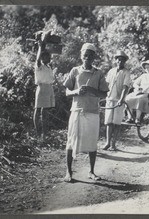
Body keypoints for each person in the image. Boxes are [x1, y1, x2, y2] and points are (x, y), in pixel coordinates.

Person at [63, 43, 109, 182]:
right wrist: (76, 91)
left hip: (92, 111)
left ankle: (91, 171)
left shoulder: (98, 73)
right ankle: (68, 172)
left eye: (91, 55)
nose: (88, 57)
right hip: (77, 110)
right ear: (81, 56)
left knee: (92, 141)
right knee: (71, 141)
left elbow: (104, 93)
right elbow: (67, 92)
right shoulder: (75, 71)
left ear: (94, 56)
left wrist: (91, 90)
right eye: (85, 55)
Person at [103, 50, 131, 151]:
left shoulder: (126, 72)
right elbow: (106, 84)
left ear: (124, 61)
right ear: (116, 60)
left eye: (122, 60)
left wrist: (121, 99)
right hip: (110, 98)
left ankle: (114, 143)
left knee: (117, 122)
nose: (120, 62)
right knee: (108, 122)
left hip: (119, 100)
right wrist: (103, 94)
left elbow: (125, 87)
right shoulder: (111, 71)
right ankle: (107, 143)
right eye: (119, 60)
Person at [33, 33, 55, 142]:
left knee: (45, 113)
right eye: (47, 57)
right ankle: (38, 134)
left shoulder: (48, 67)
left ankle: (44, 135)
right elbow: (37, 59)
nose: (49, 59)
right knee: (38, 111)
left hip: (49, 88)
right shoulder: (39, 66)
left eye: (49, 57)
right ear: (43, 57)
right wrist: (40, 46)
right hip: (41, 88)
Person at [125, 60, 149, 124]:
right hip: (138, 92)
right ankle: (130, 117)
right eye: (145, 68)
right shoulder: (143, 76)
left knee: (140, 99)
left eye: (148, 67)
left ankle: (137, 118)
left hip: (147, 94)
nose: (146, 69)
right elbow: (135, 83)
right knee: (127, 98)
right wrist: (137, 87)